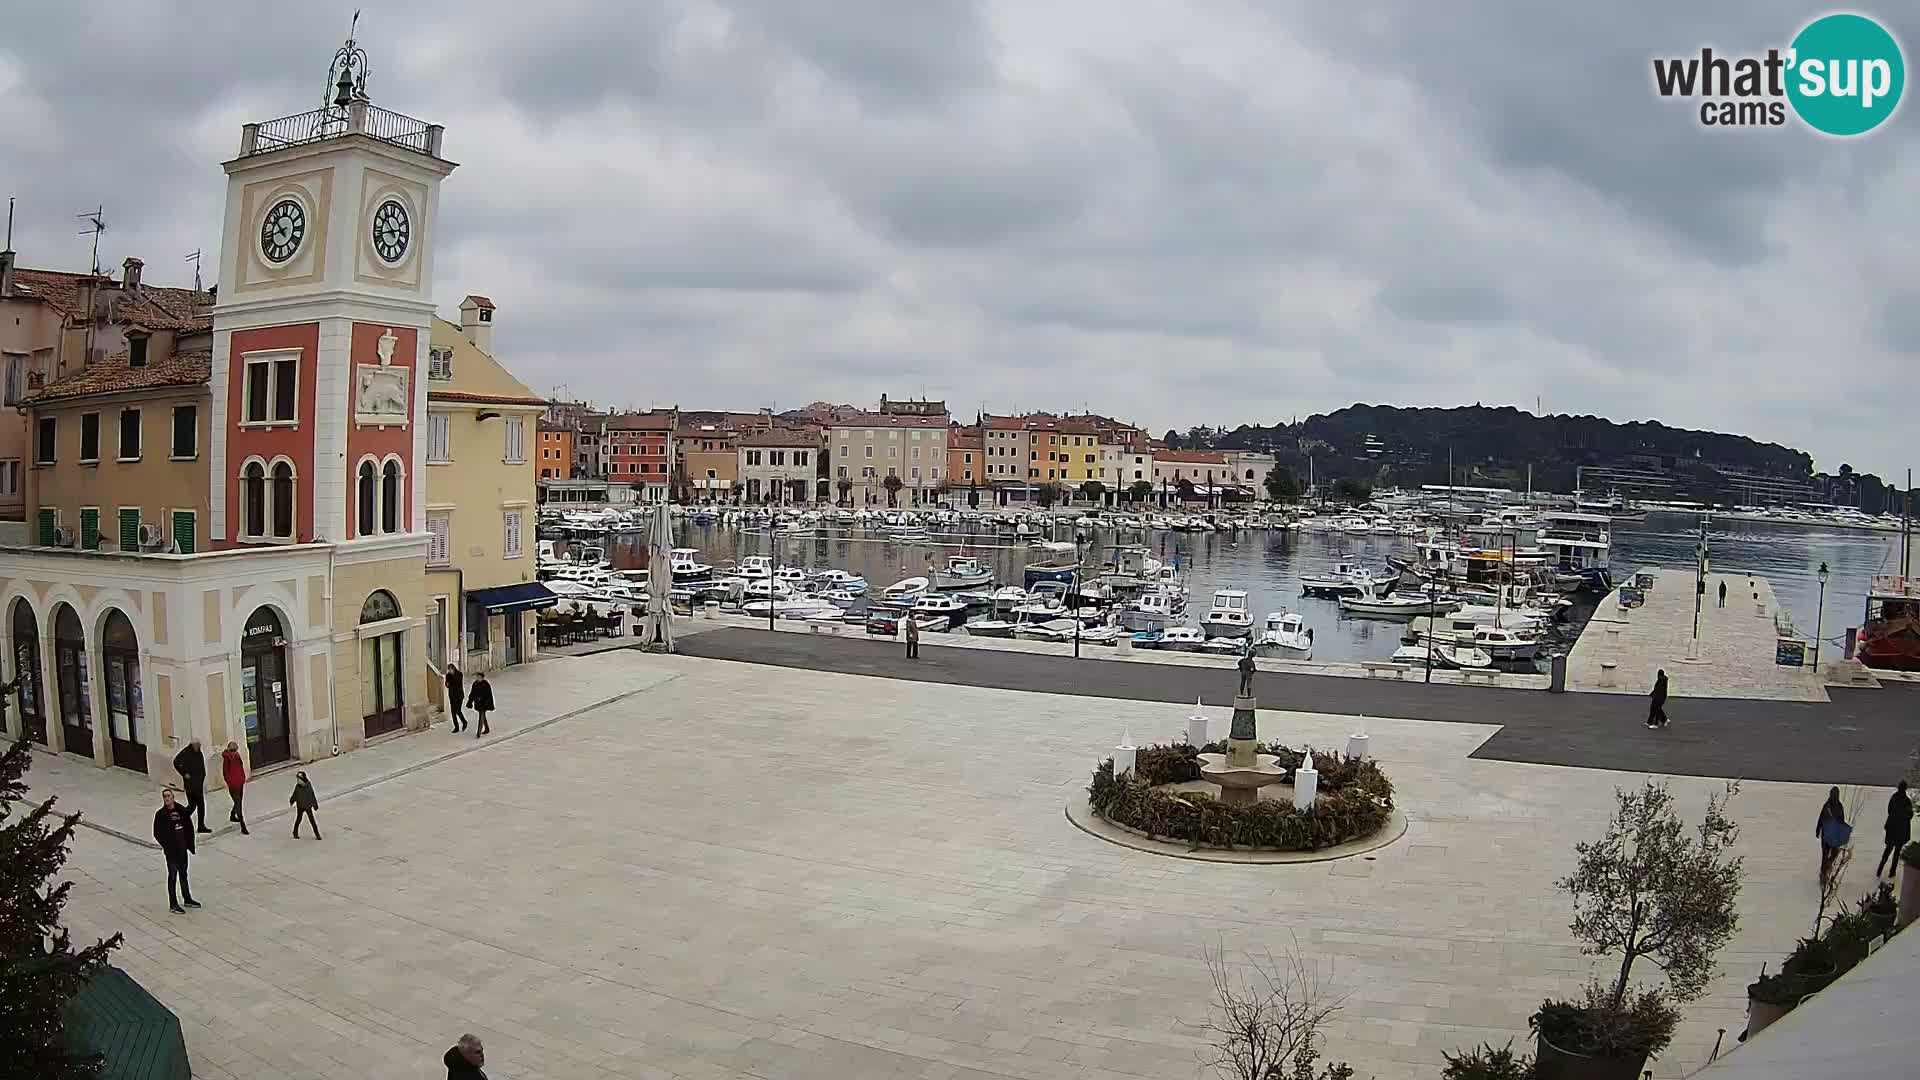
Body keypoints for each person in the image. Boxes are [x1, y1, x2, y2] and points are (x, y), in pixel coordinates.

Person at [152, 789, 200, 914]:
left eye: (168, 796)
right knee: (172, 876)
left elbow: (188, 822)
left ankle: (187, 899)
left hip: (182, 849)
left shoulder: (181, 810)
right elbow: (157, 833)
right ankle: (173, 904)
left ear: (173, 797)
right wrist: (167, 845)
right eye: (164, 797)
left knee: (184, 875)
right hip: (171, 852)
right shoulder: (161, 814)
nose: (167, 799)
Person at [172, 738, 212, 833]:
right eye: (197, 745)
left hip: (198, 783)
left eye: (199, 745)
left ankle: (181, 819)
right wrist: (184, 773)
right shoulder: (186, 752)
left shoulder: (198, 752)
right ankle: (199, 826)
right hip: (191, 785)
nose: (198, 747)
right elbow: (176, 762)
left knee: (192, 805)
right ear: (192, 745)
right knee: (199, 805)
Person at [1877, 780, 1912, 878]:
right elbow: (1910, 815)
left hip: (1892, 829)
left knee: (1888, 850)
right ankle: (1892, 872)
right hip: (1901, 830)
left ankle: (1879, 870)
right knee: (1896, 853)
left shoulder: (1894, 798)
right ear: (1905, 788)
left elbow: (1890, 810)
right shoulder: (1907, 801)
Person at [1817, 786, 1849, 882]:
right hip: (1830, 835)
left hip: (1828, 834)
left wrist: (1818, 829)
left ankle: (1825, 870)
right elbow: (1841, 822)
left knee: (1829, 854)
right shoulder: (1834, 806)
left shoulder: (1830, 805)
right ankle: (1824, 873)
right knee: (1829, 854)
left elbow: (1821, 818)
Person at [222, 741, 250, 835]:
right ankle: (243, 826)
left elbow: (241, 766)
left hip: (240, 782)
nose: (235, 752)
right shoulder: (227, 758)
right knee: (238, 804)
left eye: (235, 750)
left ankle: (232, 815)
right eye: (233, 750)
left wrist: (242, 778)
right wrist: (230, 782)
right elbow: (225, 772)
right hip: (233, 784)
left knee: (238, 801)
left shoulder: (237, 756)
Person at [289, 770, 321, 840]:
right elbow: (295, 794)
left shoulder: (308, 786)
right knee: (298, 819)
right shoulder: (297, 786)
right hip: (300, 806)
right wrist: (292, 800)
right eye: (297, 779)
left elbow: (312, 796)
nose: (298, 781)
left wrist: (315, 805)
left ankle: (317, 834)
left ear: (303, 779)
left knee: (312, 820)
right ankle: (295, 832)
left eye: (299, 779)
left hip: (307, 806)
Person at [466, 671, 493, 738]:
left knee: (481, 716)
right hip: (478, 703)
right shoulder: (475, 684)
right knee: (483, 716)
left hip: (484, 704)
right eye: (477, 677)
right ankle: (487, 728)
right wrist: (470, 701)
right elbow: (472, 693)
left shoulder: (486, 684)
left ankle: (478, 733)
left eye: (479, 677)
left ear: (482, 678)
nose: (477, 678)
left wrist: (486, 702)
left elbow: (488, 695)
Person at [445, 663, 466, 734]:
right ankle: (456, 727)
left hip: (459, 696)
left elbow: (457, 683)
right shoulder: (448, 675)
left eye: (450, 669)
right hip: (452, 696)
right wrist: (447, 684)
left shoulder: (459, 674)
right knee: (453, 712)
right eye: (449, 669)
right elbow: (447, 684)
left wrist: (451, 679)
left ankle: (464, 722)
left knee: (458, 711)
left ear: (453, 668)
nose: (449, 671)